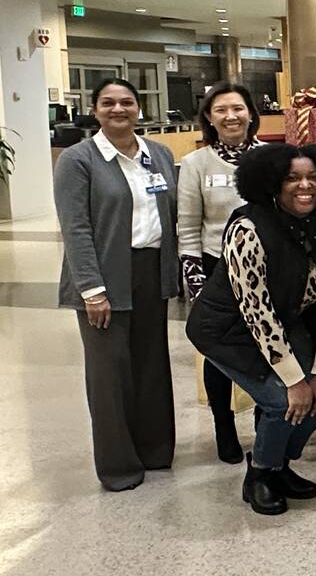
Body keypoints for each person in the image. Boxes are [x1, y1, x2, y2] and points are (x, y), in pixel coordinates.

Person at [186, 143, 316, 515]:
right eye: (292, 178)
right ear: (272, 184)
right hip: (227, 330)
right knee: (283, 402)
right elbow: (256, 311)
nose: (304, 186)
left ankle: (279, 464)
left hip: (283, 321)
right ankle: (260, 474)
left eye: (313, 178)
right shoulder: (248, 228)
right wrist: (294, 381)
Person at [54, 78, 180, 492]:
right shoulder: (78, 160)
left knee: (151, 366)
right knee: (109, 375)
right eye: (108, 102)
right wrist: (92, 288)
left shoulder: (158, 154)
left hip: (150, 270)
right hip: (103, 276)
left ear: (139, 108)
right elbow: (76, 229)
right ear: (95, 109)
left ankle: (156, 451)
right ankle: (119, 466)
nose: (118, 109)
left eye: (127, 101)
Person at [177, 81, 263, 464]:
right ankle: (224, 427)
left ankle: (267, 421)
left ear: (250, 113)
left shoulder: (270, 157)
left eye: (238, 108)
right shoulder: (197, 164)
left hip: (267, 268)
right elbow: (187, 226)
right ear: (210, 119)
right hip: (218, 267)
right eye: (221, 110)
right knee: (219, 354)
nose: (231, 116)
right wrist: (195, 282)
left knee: (266, 347)